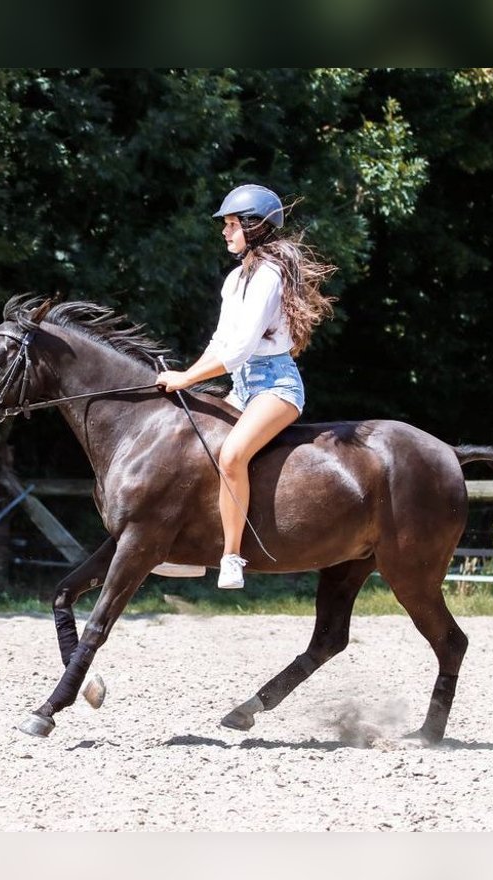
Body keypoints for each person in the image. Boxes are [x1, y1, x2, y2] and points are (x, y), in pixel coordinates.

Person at [156, 184, 336, 589]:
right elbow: (220, 343)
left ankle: (232, 556)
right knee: (197, 447)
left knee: (233, 454)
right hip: (241, 387)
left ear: (255, 228)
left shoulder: (270, 275)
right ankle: (186, 552)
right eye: (227, 224)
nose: (225, 231)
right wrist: (185, 376)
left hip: (276, 388)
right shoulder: (235, 279)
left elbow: (239, 349)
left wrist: (186, 378)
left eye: (233, 224)